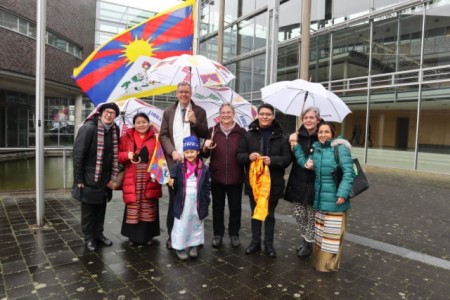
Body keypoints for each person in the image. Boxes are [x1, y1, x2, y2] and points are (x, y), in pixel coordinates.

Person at [293, 121, 354, 272]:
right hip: (319, 201)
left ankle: (329, 267)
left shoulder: (340, 149)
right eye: (320, 132)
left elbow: (349, 173)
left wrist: (342, 193)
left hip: (336, 200)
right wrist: (296, 146)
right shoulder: (318, 150)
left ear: (333, 134)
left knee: (332, 237)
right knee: (321, 236)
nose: (323, 135)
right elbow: (305, 163)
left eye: (326, 132)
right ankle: (321, 265)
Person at [236, 103, 291, 258]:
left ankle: (268, 244)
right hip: (254, 183)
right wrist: (248, 156)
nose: (265, 117)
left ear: (273, 116)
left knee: (269, 215)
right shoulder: (249, 134)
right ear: (257, 115)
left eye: (268, 114)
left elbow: (287, 159)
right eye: (262, 114)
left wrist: (272, 160)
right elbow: (239, 155)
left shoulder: (282, 136)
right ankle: (255, 242)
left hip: (273, 183)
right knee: (255, 213)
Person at [159, 82, 208, 250]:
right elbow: (163, 135)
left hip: (193, 164)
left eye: (187, 92)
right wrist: (172, 151)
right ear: (176, 93)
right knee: (175, 201)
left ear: (191, 92)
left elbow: (205, 133)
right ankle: (173, 236)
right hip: (175, 163)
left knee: (194, 202)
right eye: (181, 92)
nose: (184, 94)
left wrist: (195, 121)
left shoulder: (199, 111)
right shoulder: (168, 111)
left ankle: (194, 238)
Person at [72, 102, 120, 251]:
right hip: (88, 177)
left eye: (112, 113)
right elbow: (78, 154)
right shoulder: (88, 128)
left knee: (101, 208)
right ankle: (89, 238)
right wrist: (79, 178)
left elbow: (114, 153)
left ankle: (99, 234)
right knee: (88, 211)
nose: (109, 114)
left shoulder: (114, 130)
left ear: (116, 116)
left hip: (105, 178)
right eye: (106, 111)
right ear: (100, 113)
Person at [202, 103, 246, 248]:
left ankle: (234, 234)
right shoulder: (212, 131)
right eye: (223, 112)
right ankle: (218, 234)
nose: (226, 115)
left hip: (236, 177)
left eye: (229, 112)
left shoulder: (241, 132)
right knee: (217, 207)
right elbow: (205, 154)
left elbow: (245, 153)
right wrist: (205, 146)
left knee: (235, 207)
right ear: (219, 115)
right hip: (217, 176)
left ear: (233, 114)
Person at [118, 112, 162, 246]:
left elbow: (162, 153)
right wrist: (127, 155)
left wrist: (157, 129)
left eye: (144, 122)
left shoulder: (155, 137)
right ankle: (132, 236)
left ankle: (147, 236)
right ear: (134, 124)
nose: (141, 125)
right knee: (133, 205)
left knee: (148, 206)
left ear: (149, 123)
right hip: (133, 176)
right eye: (138, 122)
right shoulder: (126, 137)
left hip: (150, 176)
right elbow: (118, 155)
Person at [284, 107, 321, 257]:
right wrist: (291, 143)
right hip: (298, 180)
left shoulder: (322, 136)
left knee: (312, 215)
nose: (308, 120)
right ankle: (306, 239)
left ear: (317, 120)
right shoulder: (297, 137)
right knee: (299, 214)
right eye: (305, 118)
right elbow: (289, 158)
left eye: (311, 118)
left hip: (315, 182)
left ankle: (308, 243)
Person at [169, 136, 211, 260]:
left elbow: (207, 186)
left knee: (197, 222)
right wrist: (171, 181)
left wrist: (206, 200)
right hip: (183, 200)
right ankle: (179, 246)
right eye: (187, 152)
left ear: (198, 152)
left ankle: (195, 244)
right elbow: (173, 180)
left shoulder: (204, 169)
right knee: (181, 223)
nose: (189, 154)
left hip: (198, 201)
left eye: (192, 151)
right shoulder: (179, 167)